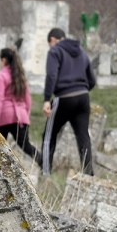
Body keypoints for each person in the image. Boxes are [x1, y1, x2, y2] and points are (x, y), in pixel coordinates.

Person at [41, 27, 96, 176]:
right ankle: (88, 175)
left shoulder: (54, 51)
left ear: (53, 40)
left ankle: (45, 174)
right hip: (83, 97)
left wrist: (47, 99)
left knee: (48, 136)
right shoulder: (82, 52)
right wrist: (81, 89)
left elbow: (51, 75)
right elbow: (92, 79)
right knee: (83, 136)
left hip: (64, 97)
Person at [0, 46, 43, 166]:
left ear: (3, 60)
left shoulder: (1, 76)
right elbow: (27, 99)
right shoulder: (20, 76)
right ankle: (43, 163)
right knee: (26, 145)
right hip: (21, 116)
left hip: (5, 116)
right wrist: (26, 115)